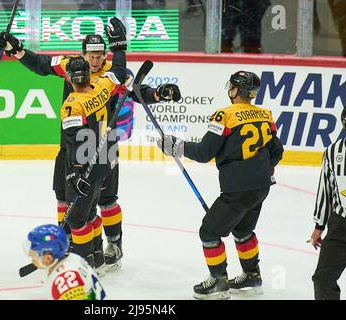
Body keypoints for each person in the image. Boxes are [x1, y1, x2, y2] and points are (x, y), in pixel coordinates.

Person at [0, 25, 181, 272]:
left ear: (105, 54)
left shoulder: (110, 74)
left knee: (106, 201)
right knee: (64, 198)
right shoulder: (78, 68)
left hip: (103, 147)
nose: (95, 59)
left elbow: (138, 92)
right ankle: (74, 247)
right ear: (82, 55)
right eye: (91, 55)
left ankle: (112, 245)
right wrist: (16, 50)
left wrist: (158, 94)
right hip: (71, 148)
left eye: (100, 54)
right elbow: (40, 63)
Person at [157, 71, 284, 300]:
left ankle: (218, 282)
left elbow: (205, 152)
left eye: (232, 87)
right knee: (243, 230)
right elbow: (277, 152)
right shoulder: (265, 115)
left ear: (236, 90)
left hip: (237, 189)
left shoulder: (224, 115)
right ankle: (251, 276)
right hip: (261, 187)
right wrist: (261, 170)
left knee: (209, 232)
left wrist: (176, 146)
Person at [58, 17, 128, 272]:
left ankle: (85, 263)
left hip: (85, 162)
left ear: (68, 78)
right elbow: (119, 72)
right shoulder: (103, 87)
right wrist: (120, 46)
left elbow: (75, 139)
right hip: (103, 159)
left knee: (80, 217)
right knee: (94, 209)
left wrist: (76, 170)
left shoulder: (72, 104)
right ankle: (97, 255)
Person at [310, 107, 346, 300]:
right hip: (341, 225)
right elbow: (326, 189)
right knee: (322, 279)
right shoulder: (333, 151)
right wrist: (319, 226)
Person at [25, 224, 106, 300]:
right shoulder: (72, 259)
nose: (31, 259)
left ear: (48, 258)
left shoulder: (66, 279)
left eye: (34, 255)